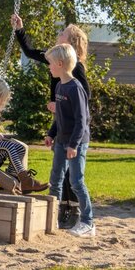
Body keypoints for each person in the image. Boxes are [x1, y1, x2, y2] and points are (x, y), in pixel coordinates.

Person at [11, 13, 90, 228]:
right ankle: (59, 210)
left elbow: (85, 96)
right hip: (61, 122)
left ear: (70, 42)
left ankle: (73, 212)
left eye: (62, 32)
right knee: (59, 172)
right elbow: (29, 52)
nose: (59, 33)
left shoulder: (76, 68)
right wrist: (20, 30)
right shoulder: (55, 58)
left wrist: (61, 104)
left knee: (71, 174)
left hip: (73, 125)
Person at [44, 43, 95, 237]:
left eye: (50, 64)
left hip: (76, 142)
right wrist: (51, 133)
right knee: (55, 181)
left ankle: (88, 222)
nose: (48, 67)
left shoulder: (75, 88)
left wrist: (74, 145)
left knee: (76, 182)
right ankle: (51, 218)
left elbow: (82, 120)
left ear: (60, 63)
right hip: (61, 140)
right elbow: (60, 116)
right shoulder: (59, 86)